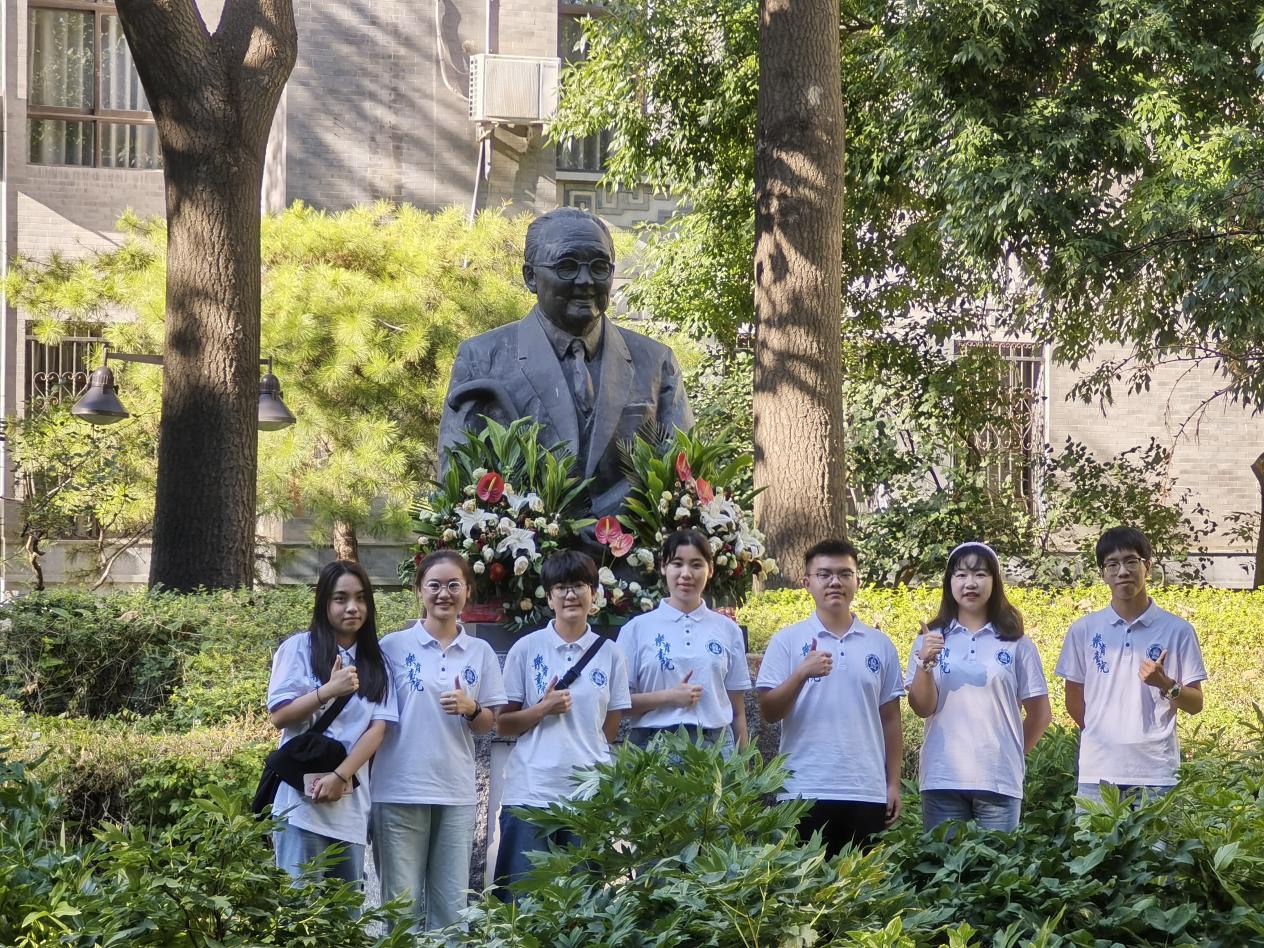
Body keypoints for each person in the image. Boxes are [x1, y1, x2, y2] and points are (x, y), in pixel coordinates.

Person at [437, 208, 693, 517]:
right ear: (530, 276)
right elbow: (457, 476)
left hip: (627, 556)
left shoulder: (655, 361)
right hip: (522, 559)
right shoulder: (482, 357)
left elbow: (681, 468)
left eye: (599, 267)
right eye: (567, 266)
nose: (585, 280)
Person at [369, 551, 506, 931]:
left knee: (450, 911)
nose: (443, 593)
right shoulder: (392, 647)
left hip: (456, 792)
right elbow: (373, 717)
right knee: (401, 908)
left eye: (453, 585)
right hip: (398, 789)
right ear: (419, 591)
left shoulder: (480, 653)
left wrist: (472, 707)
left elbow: (488, 725)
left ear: (468, 591)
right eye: (434, 585)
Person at [493, 551, 631, 895]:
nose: (571, 595)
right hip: (531, 792)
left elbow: (610, 729)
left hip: (588, 795)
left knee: (584, 903)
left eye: (580, 586)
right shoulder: (526, 648)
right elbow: (503, 724)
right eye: (562, 587)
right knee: (523, 902)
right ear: (549, 596)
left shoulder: (610, 653)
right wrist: (542, 709)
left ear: (594, 593)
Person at [756, 539, 904, 854]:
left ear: (857, 581)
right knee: (803, 894)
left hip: (865, 790)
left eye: (844, 574)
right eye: (824, 574)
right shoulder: (787, 640)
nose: (835, 582)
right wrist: (801, 673)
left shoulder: (880, 644)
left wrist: (893, 784)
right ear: (807, 582)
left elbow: (891, 719)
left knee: (863, 890)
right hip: (801, 790)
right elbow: (769, 711)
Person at [905, 542, 1052, 832]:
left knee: (999, 873)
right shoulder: (929, 640)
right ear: (949, 583)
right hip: (942, 778)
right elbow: (922, 708)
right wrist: (925, 662)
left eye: (980, 574)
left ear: (995, 582)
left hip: (998, 780)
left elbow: (1041, 714)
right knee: (944, 872)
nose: (970, 583)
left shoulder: (1017, 643)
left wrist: (1010, 753)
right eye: (960, 575)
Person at [265, 560, 396, 885]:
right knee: (300, 917)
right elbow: (279, 716)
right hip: (299, 809)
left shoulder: (378, 663)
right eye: (341, 598)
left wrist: (340, 776)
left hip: (350, 812)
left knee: (346, 919)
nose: (352, 607)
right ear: (324, 603)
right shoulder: (298, 649)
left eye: (361, 598)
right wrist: (326, 691)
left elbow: (377, 729)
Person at [1055, 526, 1206, 807]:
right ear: (1103, 573)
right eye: (1112, 564)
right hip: (1097, 773)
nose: (1122, 571)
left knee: (1156, 852)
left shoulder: (1178, 630)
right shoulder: (1084, 630)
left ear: (1147, 566)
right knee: (1093, 850)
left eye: (1130, 561)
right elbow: (1074, 699)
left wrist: (1166, 684)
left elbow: (1195, 704)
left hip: (1157, 773)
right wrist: (1102, 735)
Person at [617, 528, 751, 752]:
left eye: (696, 564)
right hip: (651, 749)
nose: (686, 574)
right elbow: (617, 705)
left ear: (710, 570)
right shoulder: (636, 629)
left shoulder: (728, 630)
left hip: (715, 750)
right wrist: (668, 697)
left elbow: (737, 711)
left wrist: (744, 769)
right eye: (677, 563)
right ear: (663, 567)